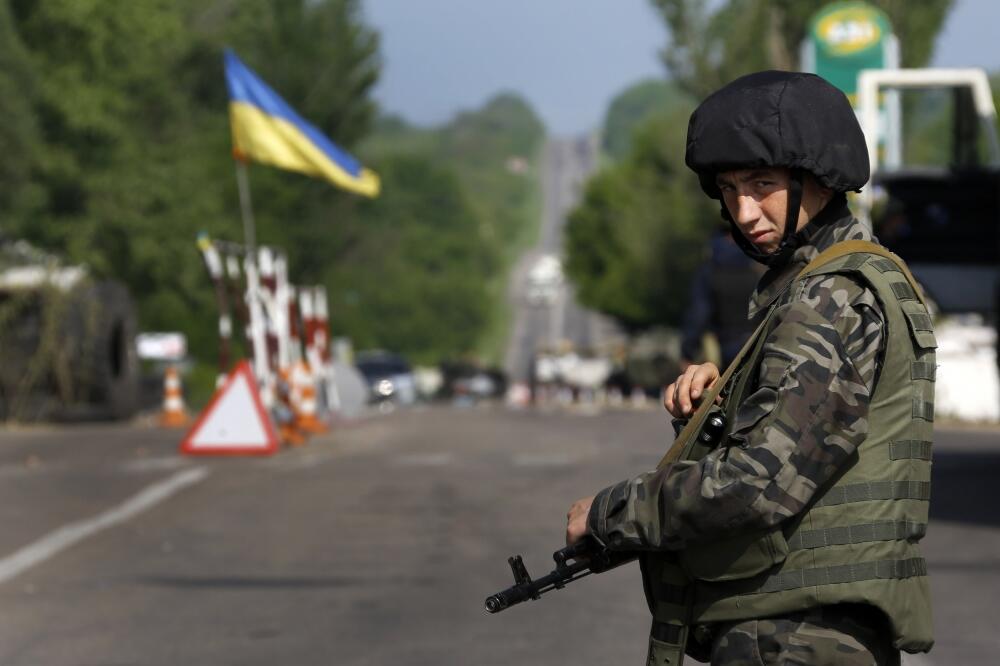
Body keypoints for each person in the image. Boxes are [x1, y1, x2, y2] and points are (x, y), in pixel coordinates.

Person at [565, 71, 935, 666]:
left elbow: (759, 482)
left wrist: (613, 513)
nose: (743, 211)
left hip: (790, 635)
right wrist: (722, 407)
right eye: (729, 188)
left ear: (817, 179)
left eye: (762, 184)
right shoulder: (853, 280)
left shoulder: (826, 298)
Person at [679, 228, 763, 370]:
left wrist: (688, 351)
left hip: (724, 348)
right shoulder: (757, 268)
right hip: (755, 344)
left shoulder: (708, 272)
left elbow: (700, 313)